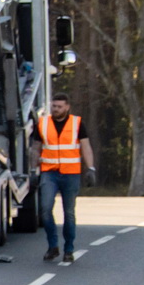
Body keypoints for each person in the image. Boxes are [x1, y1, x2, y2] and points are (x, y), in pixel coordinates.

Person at [33, 93, 96, 264]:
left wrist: (90, 168)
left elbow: (86, 146)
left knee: (69, 213)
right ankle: (53, 246)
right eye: (54, 106)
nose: (56, 109)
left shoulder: (77, 123)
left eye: (59, 106)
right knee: (45, 210)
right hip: (49, 173)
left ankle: (69, 249)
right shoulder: (43, 123)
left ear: (67, 107)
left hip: (71, 174)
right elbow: (35, 148)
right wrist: (32, 170)